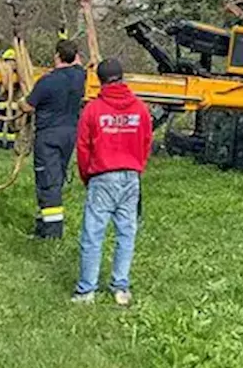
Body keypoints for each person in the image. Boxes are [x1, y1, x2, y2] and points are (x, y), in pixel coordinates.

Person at [71, 58, 153, 306]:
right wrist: (137, 167)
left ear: (99, 80)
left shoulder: (93, 110)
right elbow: (146, 142)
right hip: (131, 176)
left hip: (102, 176)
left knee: (93, 235)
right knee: (126, 233)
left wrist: (87, 175)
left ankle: (86, 291)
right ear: (122, 77)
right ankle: (120, 287)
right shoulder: (140, 109)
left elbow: (83, 147)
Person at [20, 39, 87, 239]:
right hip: (69, 134)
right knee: (56, 178)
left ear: (56, 56)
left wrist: (19, 102)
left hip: (49, 136)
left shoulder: (47, 81)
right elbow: (80, 63)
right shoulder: (79, 77)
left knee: (48, 183)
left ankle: (51, 232)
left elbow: (28, 106)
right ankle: (44, 223)